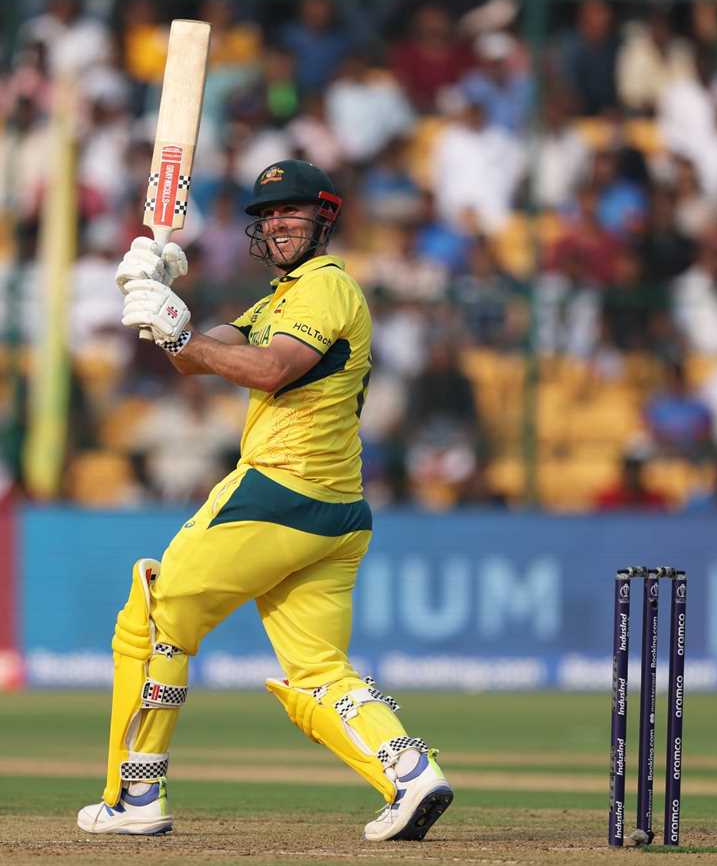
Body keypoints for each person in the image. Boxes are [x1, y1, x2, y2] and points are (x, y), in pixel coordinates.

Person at [80, 160, 452, 841]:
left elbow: (270, 368)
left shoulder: (324, 289)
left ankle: (136, 793)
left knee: (155, 612)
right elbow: (206, 354)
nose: (277, 223)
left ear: (325, 218)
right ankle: (409, 772)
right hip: (335, 511)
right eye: (267, 215)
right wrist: (161, 304)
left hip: (281, 489)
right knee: (317, 673)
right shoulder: (281, 298)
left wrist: (184, 336)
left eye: (292, 212)